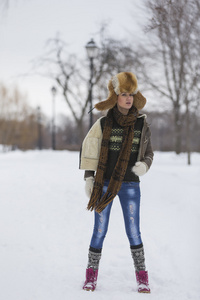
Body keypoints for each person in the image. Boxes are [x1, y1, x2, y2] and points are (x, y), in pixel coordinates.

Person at [79, 72, 153, 293]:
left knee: (134, 231)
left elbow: (149, 152)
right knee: (99, 230)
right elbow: (90, 151)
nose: (128, 98)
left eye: (131, 94)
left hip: (131, 184)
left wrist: (145, 165)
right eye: (123, 94)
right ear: (116, 96)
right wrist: (89, 178)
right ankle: (91, 276)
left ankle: (142, 277)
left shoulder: (141, 124)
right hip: (105, 184)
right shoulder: (103, 124)